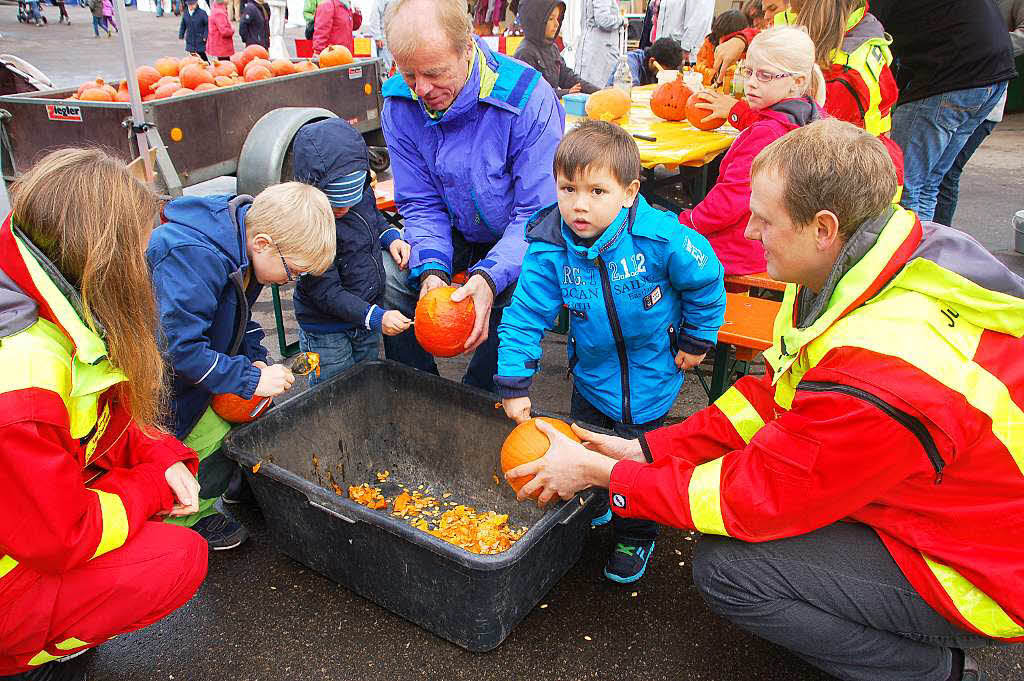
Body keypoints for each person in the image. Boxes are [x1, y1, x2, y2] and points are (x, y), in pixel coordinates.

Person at [505, 117, 1024, 681]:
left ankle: (935, 671)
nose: (747, 231)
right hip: (944, 501)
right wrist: (644, 451)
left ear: (823, 228)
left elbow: (749, 499)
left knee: (728, 569)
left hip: (983, 568)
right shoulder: (866, 265)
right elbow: (769, 401)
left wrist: (605, 475)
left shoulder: (880, 371)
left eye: (764, 218)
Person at [0, 148, 208, 681]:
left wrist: (162, 456)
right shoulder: (24, 375)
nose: (145, 269)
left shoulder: (43, 293)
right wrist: (155, 490)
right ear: (104, 262)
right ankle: (22, 657)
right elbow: (63, 535)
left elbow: (99, 415)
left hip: (25, 523)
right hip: (18, 565)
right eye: (138, 256)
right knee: (177, 558)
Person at [496, 121, 726, 583]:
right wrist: (513, 381)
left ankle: (635, 536)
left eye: (597, 190)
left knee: (636, 463)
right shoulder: (550, 248)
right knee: (587, 442)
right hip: (593, 378)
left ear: (629, 191)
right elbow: (525, 314)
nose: (579, 204)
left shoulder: (662, 237)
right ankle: (598, 498)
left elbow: (706, 281)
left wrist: (697, 338)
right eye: (568, 188)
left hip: (651, 379)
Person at [378, 0, 563, 393]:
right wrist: (431, 268)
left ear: (467, 49)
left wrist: (488, 277)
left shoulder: (527, 98)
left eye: (433, 73)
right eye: (409, 73)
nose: (421, 89)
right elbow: (421, 203)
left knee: (527, 287)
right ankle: (421, 390)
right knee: (389, 275)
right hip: (453, 227)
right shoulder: (398, 103)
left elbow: (538, 213)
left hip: (519, 229)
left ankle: (481, 393)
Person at [147, 182, 335, 549]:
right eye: (292, 271)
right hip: (162, 382)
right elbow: (179, 351)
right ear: (264, 243)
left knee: (249, 420)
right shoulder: (192, 256)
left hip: (196, 369)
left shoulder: (243, 243)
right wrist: (250, 378)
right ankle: (186, 518)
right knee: (202, 442)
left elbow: (238, 318)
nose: (290, 281)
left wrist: (258, 360)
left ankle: (237, 485)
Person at [854, 0, 1016, 222]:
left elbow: (862, 30)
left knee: (902, 185)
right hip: (992, 74)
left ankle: (906, 253)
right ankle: (924, 251)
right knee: (929, 183)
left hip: (955, 75)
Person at [684, 26, 825, 276]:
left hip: (739, 250)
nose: (751, 83)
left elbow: (728, 202)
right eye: (748, 72)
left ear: (798, 82)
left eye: (765, 76)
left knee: (662, 259)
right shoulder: (808, 116)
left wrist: (688, 222)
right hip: (775, 244)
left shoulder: (765, 134)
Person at [291, 118, 413, 385]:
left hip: (364, 320)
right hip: (327, 331)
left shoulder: (360, 194)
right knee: (335, 390)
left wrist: (390, 237)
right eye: (336, 206)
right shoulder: (309, 229)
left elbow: (373, 219)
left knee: (365, 381)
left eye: (351, 201)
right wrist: (374, 316)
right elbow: (326, 292)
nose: (345, 211)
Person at [933, 0, 1024, 227]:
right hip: (950, 85)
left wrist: (983, 45)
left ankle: (939, 240)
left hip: (984, 96)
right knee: (936, 174)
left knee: (946, 173)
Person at [515, 0, 600, 97]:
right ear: (535, 21)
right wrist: (565, 93)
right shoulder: (524, 53)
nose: (557, 24)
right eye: (551, 19)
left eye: (557, 18)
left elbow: (568, 78)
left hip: (552, 108)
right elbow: (531, 93)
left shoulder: (552, 48)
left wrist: (598, 92)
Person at [575, 0, 627, 87]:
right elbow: (603, 20)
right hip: (600, 51)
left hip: (591, 46)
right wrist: (621, 20)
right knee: (599, 91)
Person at [605, 37, 683, 87]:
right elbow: (631, 89)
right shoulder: (630, 62)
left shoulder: (671, 66)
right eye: (663, 73)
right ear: (652, 61)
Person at [362, 0, 394, 78]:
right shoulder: (381, 2)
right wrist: (377, 37)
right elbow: (375, 15)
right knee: (386, 67)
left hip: (396, 38)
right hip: (385, 39)